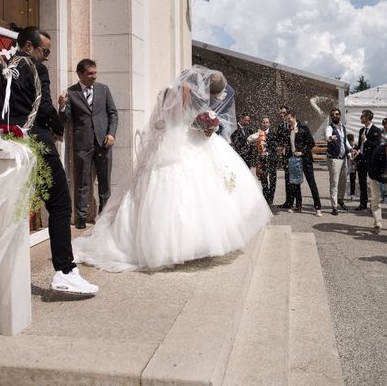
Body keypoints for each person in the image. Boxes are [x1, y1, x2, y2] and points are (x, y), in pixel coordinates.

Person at [72, 66, 271, 272]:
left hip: (182, 140)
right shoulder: (181, 91)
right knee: (180, 190)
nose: (204, 95)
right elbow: (173, 121)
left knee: (196, 191)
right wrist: (199, 124)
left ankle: (192, 243)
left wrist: (203, 124)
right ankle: (175, 245)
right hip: (177, 142)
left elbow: (170, 120)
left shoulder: (176, 90)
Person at [0, 26, 98, 294]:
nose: (46, 57)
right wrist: (58, 123)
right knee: (59, 203)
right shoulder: (35, 68)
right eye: (45, 51)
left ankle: (0, 275)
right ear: (29, 47)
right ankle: (65, 270)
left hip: (5, 147)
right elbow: (43, 108)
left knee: (10, 211)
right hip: (35, 145)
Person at [58, 59, 118, 229]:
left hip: (104, 143)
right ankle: (81, 217)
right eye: (90, 73)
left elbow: (113, 114)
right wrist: (62, 107)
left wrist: (111, 133)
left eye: (95, 73)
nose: (94, 76)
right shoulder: (71, 92)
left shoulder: (103, 89)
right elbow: (65, 119)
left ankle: (104, 215)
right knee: (82, 182)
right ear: (80, 74)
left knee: (105, 181)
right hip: (82, 144)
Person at [283, 110, 323, 216]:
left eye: (289, 119)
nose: (288, 121)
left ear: (294, 117)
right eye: (286, 120)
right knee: (296, 183)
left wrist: (302, 152)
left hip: (306, 160)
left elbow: (311, 143)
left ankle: (318, 207)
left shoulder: (303, 128)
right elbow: (289, 145)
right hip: (294, 161)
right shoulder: (288, 130)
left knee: (311, 183)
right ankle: (298, 206)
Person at [354, 109, 382, 210]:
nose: (361, 118)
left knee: (373, 182)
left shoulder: (376, 130)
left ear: (368, 118)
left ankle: (374, 203)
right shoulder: (361, 130)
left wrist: (366, 140)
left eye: (362, 116)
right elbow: (360, 145)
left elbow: (376, 146)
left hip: (371, 160)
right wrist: (356, 151)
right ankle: (363, 203)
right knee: (362, 182)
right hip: (361, 158)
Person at [324, 107, 350, 216]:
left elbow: (345, 142)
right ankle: (334, 206)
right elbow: (327, 136)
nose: (335, 116)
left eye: (337, 114)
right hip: (334, 159)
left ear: (340, 116)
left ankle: (340, 200)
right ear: (331, 117)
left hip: (344, 158)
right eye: (333, 115)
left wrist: (351, 148)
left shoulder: (343, 127)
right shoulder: (329, 127)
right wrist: (330, 138)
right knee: (334, 183)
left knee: (343, 182)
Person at [255, 117, 278, 204]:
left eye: (267, 122)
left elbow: (275, 145)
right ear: (261, 123)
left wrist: (268, 151)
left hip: (271, 159)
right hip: (262, 161)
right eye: (263, 122)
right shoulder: (258, 134)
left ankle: (270, 198)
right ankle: (265, 196)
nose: (265, 124)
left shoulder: (273, 133)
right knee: (263, 179)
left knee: (272, 179)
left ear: (269, 124)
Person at [346, 133, 357, 201]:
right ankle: (340, 193)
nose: (351, 142)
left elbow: (357, 154)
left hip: (353, 165)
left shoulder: (355, 146)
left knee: (352, 180)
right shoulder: (346, 146)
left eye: (352, 140)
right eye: (350, 140)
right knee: (344, 179)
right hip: (346, 164)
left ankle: (352, 194)